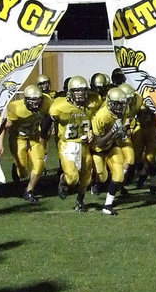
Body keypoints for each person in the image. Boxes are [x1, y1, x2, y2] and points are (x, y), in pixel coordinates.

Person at [0, 85, 53, 203]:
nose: (36, 104)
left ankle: (29, 191)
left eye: (38, 100)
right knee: (23, 173)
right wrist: (0, 144)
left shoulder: (47, 102)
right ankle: (16, 168)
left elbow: (50, 115)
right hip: (18, 139)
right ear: (26, 100)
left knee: (39, 165)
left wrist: (46, 130)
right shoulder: (16, 109)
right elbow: (2, 126)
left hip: (34, 137)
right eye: (32, 101)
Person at [50, 76, 93, 212]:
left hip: (84, 144)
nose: (81, 94)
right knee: (73, 179)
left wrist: (93, 131)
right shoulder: (60, 106)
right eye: (77, 91)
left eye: (83, 91)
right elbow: (48, 119)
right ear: (70, 92)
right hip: (67, 145)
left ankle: (80, 201)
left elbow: (97, 118)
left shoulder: (92, 104)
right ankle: (63, 178)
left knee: (86, 177)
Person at [91, 87, 129, 215]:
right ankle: (95, 183)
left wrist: (122, 132)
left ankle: (107, 206)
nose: (119, 107)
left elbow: (124, 128)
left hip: (112, 146)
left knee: (119, 175)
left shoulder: (124, 110)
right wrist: (113, 130)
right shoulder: (101, 116)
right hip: (98, 150)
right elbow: (99, 143)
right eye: (116, 104)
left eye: (121, 104)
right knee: (103, 178)